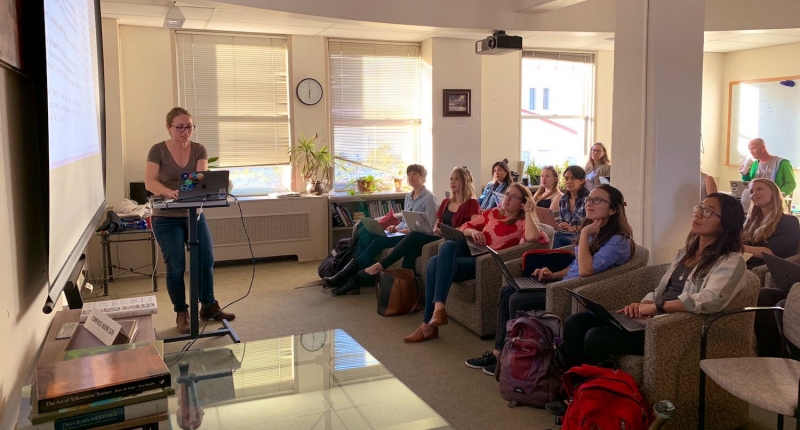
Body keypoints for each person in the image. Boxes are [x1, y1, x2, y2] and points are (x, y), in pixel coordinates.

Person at [562, 193, 747, 367]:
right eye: (699, 207)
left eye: (707, 211)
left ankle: (594, 394)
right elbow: (662, 290)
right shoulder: (685, 253)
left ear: (727, 222)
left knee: (597, 337)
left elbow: (711, 299)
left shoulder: (731, 260)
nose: (698, 214)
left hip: (675, 328)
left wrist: (658, 307)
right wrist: (646, 303)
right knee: (576, 322)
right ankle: (575, 389)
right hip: (654, 318)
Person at [466, 185, 635, 374]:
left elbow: (586, 270)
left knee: (517, 299)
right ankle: (500, 352)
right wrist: (553, 274)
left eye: (597, 200)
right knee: (507, 291)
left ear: (613, 209)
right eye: (589, 199)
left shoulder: (618, 240)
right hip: (563, 283)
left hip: (575, 291)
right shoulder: (596, 231)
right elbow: (576, 267)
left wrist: (585, 233)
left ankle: (513, 358)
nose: (589, 203)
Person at [403, 183, 550, 343]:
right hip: (472, 254)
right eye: (507, 194)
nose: (507, 198)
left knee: (434, 262)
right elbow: (465, 226)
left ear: (523, 202)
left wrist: (528, 210)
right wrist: (473, 232)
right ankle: (437, 310)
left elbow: (533, 237)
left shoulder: (522, 222)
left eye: (514, 196)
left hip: (486, 264)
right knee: (446, 248)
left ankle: (428, 324)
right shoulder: (493, 213)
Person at [145, 107, 235, 335]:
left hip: (194, 214)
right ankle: (181, 312)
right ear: (169, 128)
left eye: (190, 126)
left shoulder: (199, 149)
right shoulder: (157, 150)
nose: (186, 131)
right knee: (176, 266)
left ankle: (208, 305)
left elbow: (200, 180)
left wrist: (192, 191)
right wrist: (168, 192)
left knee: (206, 260)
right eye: (180, 127)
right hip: (166, 218)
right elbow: (149, 182)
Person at [322, 164, 439, 293]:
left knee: (377, 242)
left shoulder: (429, 198)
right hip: (400, 232)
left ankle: (349, 277)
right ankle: (349, 276)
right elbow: (404, 221)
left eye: (415, 174)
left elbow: (430, 227)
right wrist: (394, 227)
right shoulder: (408, 197)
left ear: (423, 178)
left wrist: (401, 230)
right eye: (409, 174)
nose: (411, 176)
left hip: (411, 236)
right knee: (366, 236)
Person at [362, 166, 480, 277]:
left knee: (414, 235)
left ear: (465, 182)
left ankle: (382, 265)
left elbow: (473, 226)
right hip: (438, 236)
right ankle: (407, 289)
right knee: (411, 251)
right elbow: (437, 221)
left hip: (453, 241)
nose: (452, 182)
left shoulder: (472, 203)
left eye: (457, 179)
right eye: (451, 179)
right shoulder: (446, 202)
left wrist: (451, 230)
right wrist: (435, 229)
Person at [742, 178, 800, 270]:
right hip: (741, 263)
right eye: (751, 191)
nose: (754, 193)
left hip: (764, 268)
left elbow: (771, 253)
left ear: (774, 193)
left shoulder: (789, 221)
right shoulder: (749, 222)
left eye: (760, 189)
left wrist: (735, 247)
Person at [553, 166, 590, 248]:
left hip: (583, 235)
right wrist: (559, 225)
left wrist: (574, 228)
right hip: (567, 233)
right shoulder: (563, 199)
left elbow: (593, 224)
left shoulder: (588, 199)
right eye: (566, 178)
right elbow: (563, 220)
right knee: (547, 234)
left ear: (582, 181)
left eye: (573, 178)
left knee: (555, 238)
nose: (569, 181)